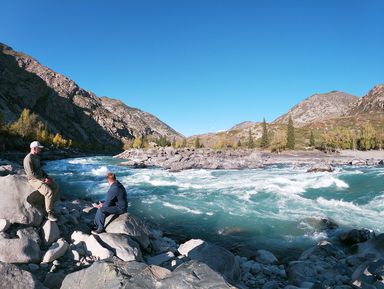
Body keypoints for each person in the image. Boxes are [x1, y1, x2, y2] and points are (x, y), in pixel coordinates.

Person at [23, 141, 59, 221]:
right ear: (34, 148)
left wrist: (47, 176)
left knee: (55, 186)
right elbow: (31, 174)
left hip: (40, 177)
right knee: (49, 192)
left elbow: (40, 169)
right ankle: (49, 213)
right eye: (39, 148)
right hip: (33, 180)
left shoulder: (36, 157)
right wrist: (44, 180)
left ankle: (48, 205)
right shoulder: (28, 159)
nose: (40, 150)